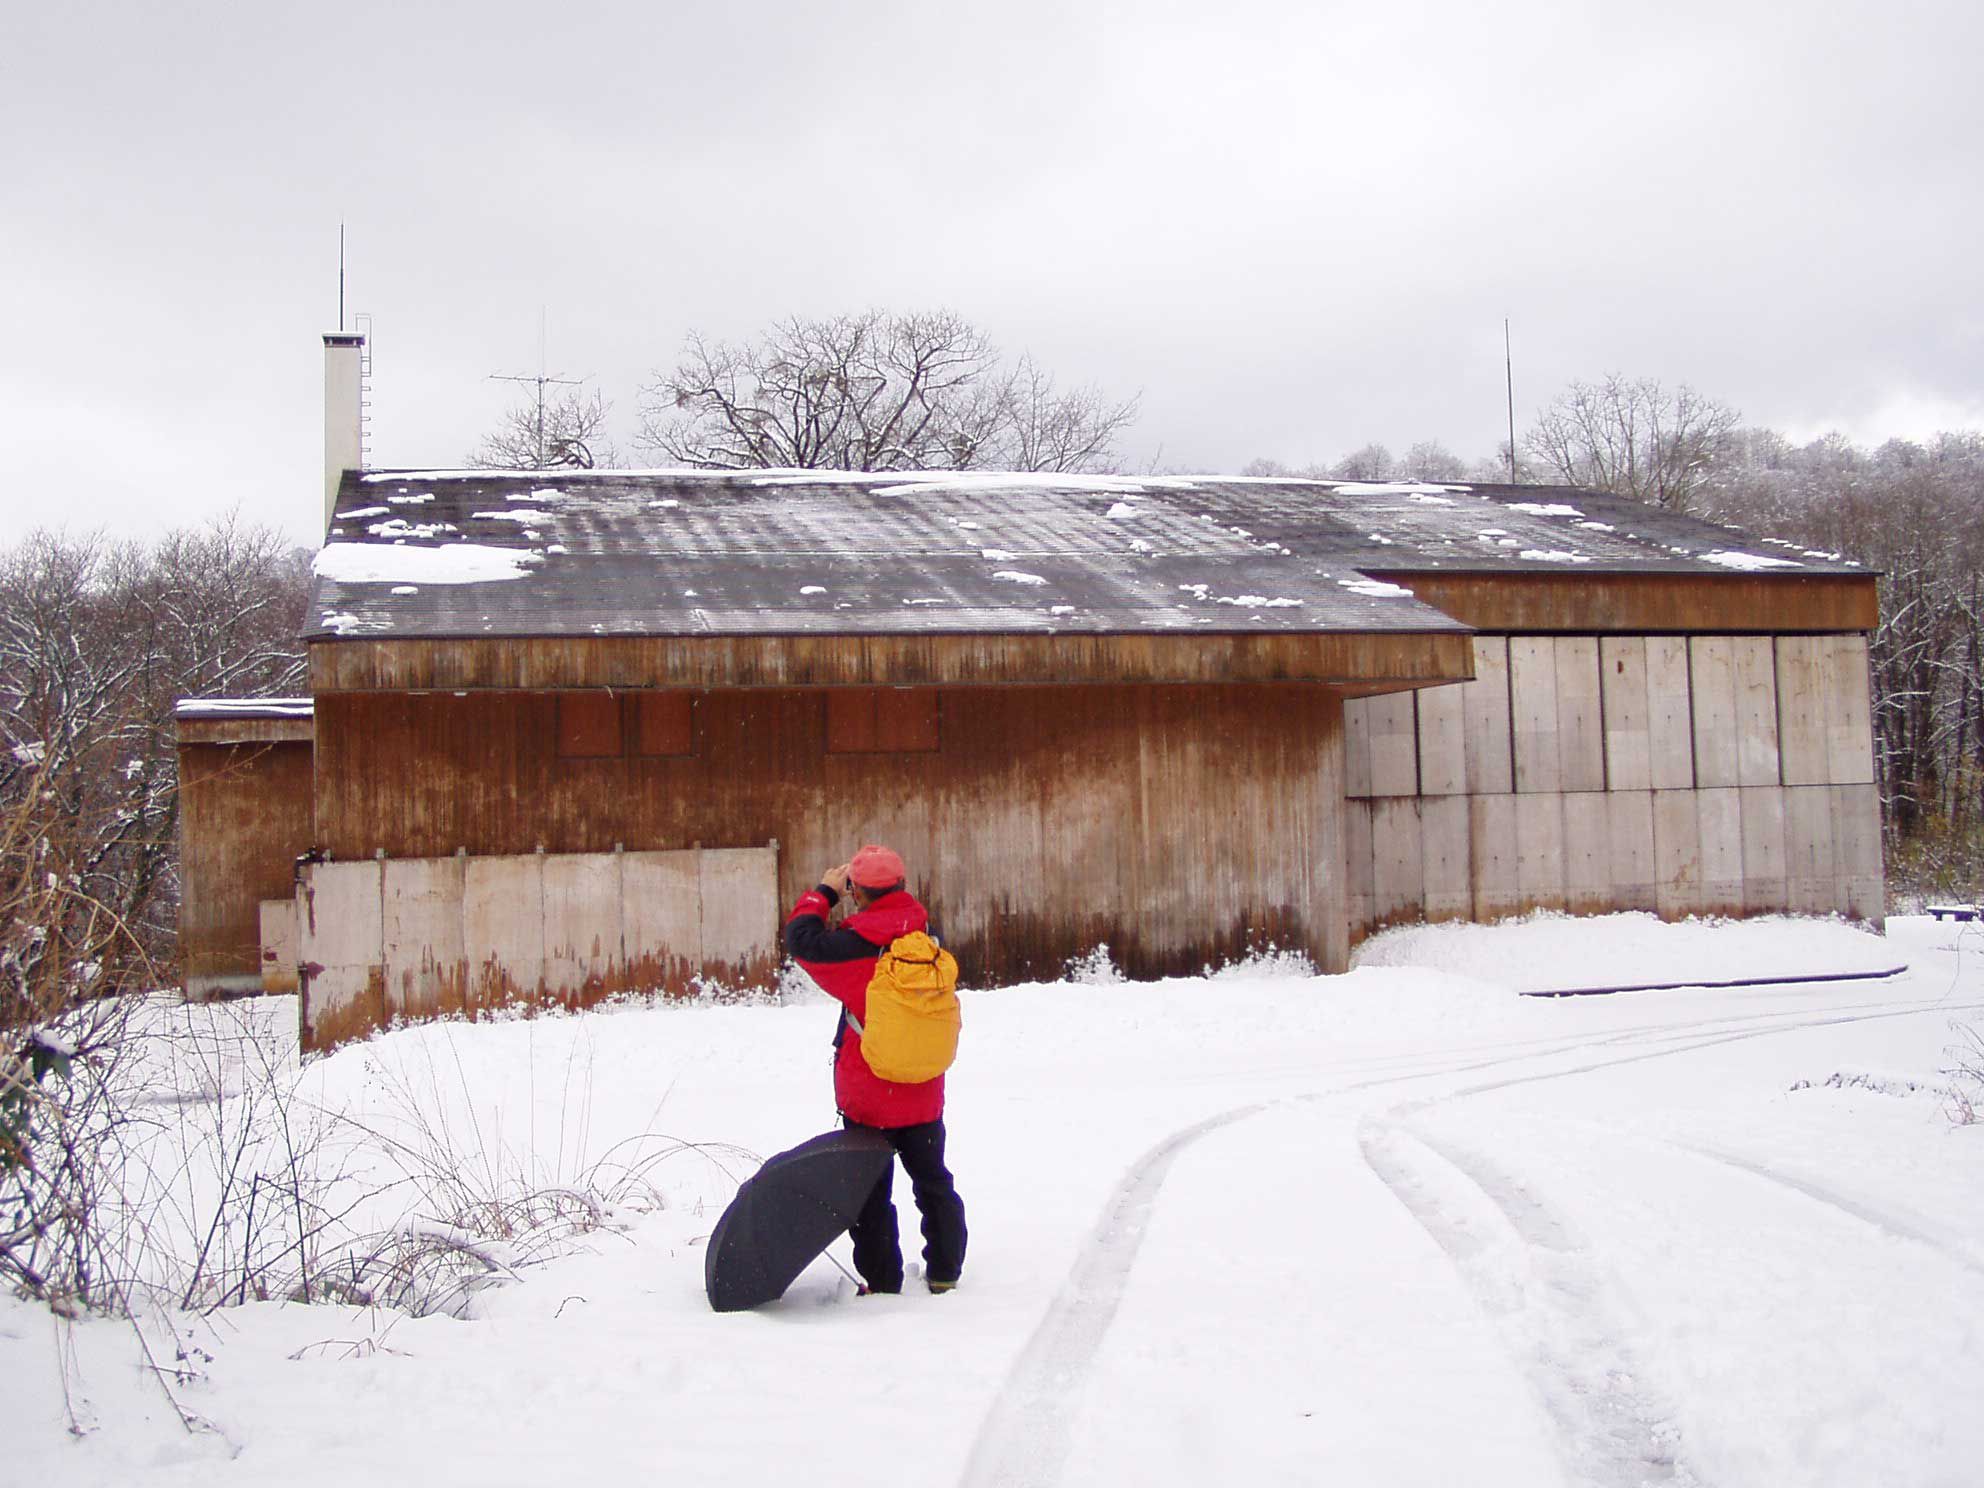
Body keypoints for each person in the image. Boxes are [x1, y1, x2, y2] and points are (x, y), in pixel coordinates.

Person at [784, 843, 967, 1296]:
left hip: (869, 1097)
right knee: (934, 1183)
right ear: (902, 885)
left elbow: (801, 940)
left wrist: (824, 893)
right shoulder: (927, 936)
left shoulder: (853, 946)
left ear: (856, 892)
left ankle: (883, 1282)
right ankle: (945, 1272)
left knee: (870, 1195)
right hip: (923, 1088)